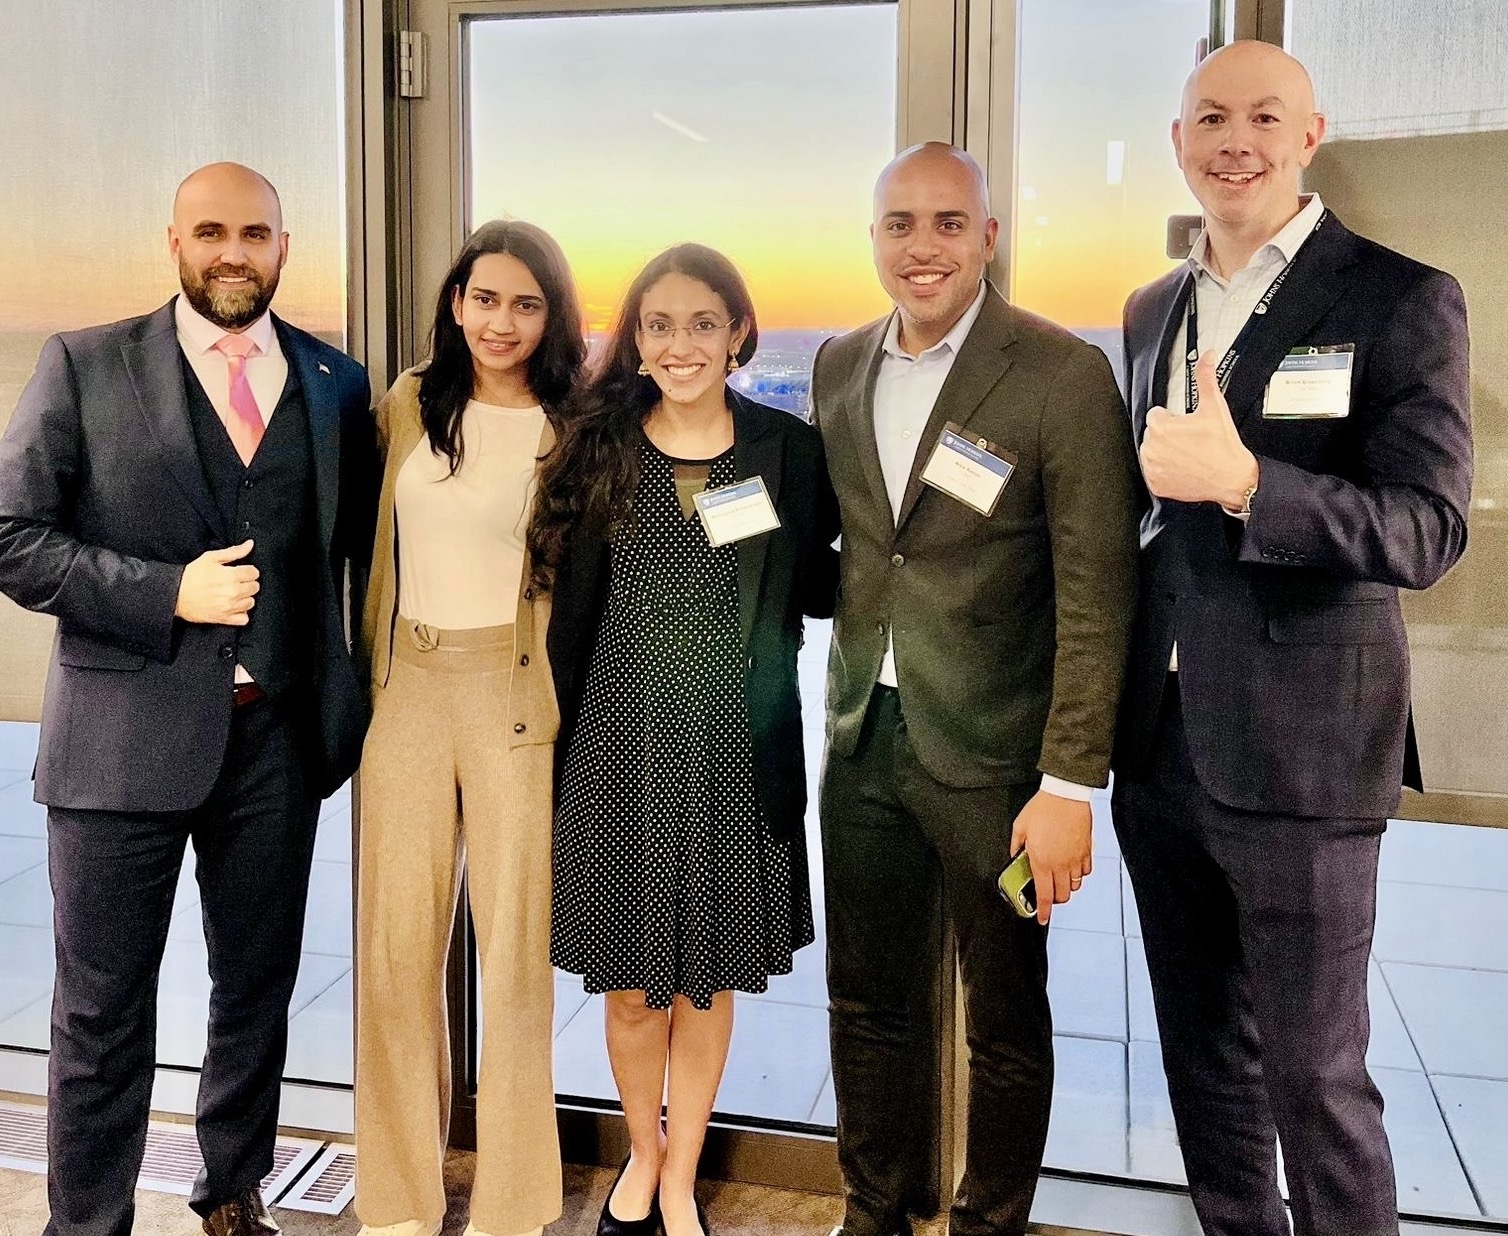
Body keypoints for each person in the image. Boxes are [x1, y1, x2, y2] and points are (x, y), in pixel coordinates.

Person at [1112, 40, 1473, 1236]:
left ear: (1308, 134)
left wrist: (1246, 484)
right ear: (1177, 142)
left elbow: (1425, 529)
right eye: (1209, 117)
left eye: (1264, 116)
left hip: (1307, 756)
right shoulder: (1149, 308)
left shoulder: (1396, 296)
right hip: (1161, 749)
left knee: (1314, 1083)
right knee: (1204, 1066)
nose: (1235, 140)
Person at [0, 163, 374, 1236]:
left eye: (254, 233)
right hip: (118, 746)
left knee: (255, 992)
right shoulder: (83, 365)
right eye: (209, 231)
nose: (232, 251)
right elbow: (13, 539)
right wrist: (169, 593)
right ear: (172, 243)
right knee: (100, 1015)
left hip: (274, 746)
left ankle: (229, 1190)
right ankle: (87, 1225)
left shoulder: (334, 385)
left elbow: (351, 558)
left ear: (283, 248)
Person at [810, 142, 1140, 1236]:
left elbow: (1096, 594)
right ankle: (877, 1212)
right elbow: (865, 553)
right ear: (872, 239)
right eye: (899, 222)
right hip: (863, 741)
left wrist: (1067, 783)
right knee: (866, 1006)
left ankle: (986, 1222)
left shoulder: (1057, 372)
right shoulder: (837, 365)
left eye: (948, 222)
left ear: (988, 237)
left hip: (998, 763)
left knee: (1002, 1016)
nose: (922, 246)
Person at [531, 243, 838, 1236]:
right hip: (615, 749)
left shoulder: (786, 451)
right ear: (634, 338)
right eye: (657, 324)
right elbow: (567, 620)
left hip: (733, 755)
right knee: (629, 994)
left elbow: (824, 580)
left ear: (739, 332)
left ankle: (680, 1175)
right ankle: (641, 1151)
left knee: (701, 988)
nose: (679, 344)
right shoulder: (596, 446)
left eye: (702, 323)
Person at [352, 220, 585, 1236]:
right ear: (456, 302)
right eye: (485, 298)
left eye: (525, 304)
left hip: (512, 690)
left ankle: (512, 1207)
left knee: (515, 955)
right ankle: (399, 1204)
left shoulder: (572, 423)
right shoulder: (409, 401)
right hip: (405, 683)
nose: (502, 321)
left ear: (551, 317)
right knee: (394, 954)